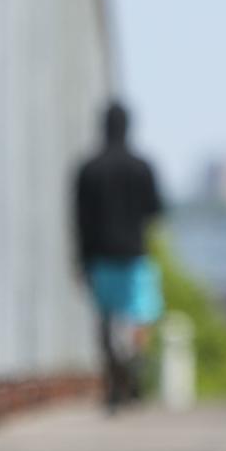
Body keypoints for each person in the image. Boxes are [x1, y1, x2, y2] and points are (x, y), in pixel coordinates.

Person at [76, 101, 164, 408]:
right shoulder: (141, 167)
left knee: (105, 317)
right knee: (140, 316)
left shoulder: (88, 169)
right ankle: (134, 367)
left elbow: (79, 220)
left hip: (100, 256)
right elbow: (156, 209)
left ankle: (113, 374)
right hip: (135, 254)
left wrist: (80, 259)